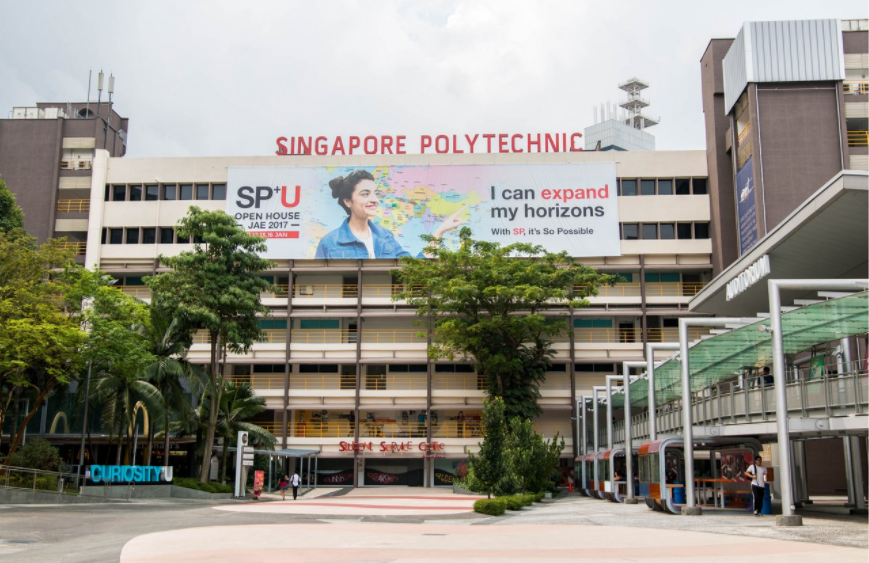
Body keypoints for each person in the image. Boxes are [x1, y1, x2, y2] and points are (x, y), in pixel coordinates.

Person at [314, 170, 465, 259]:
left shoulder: (384, 236)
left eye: (375, 193)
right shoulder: (330, 243)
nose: (374, 200)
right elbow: (317, 284)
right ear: (348, 201)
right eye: (365, 194)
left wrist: (439, 232)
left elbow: (411, 268)